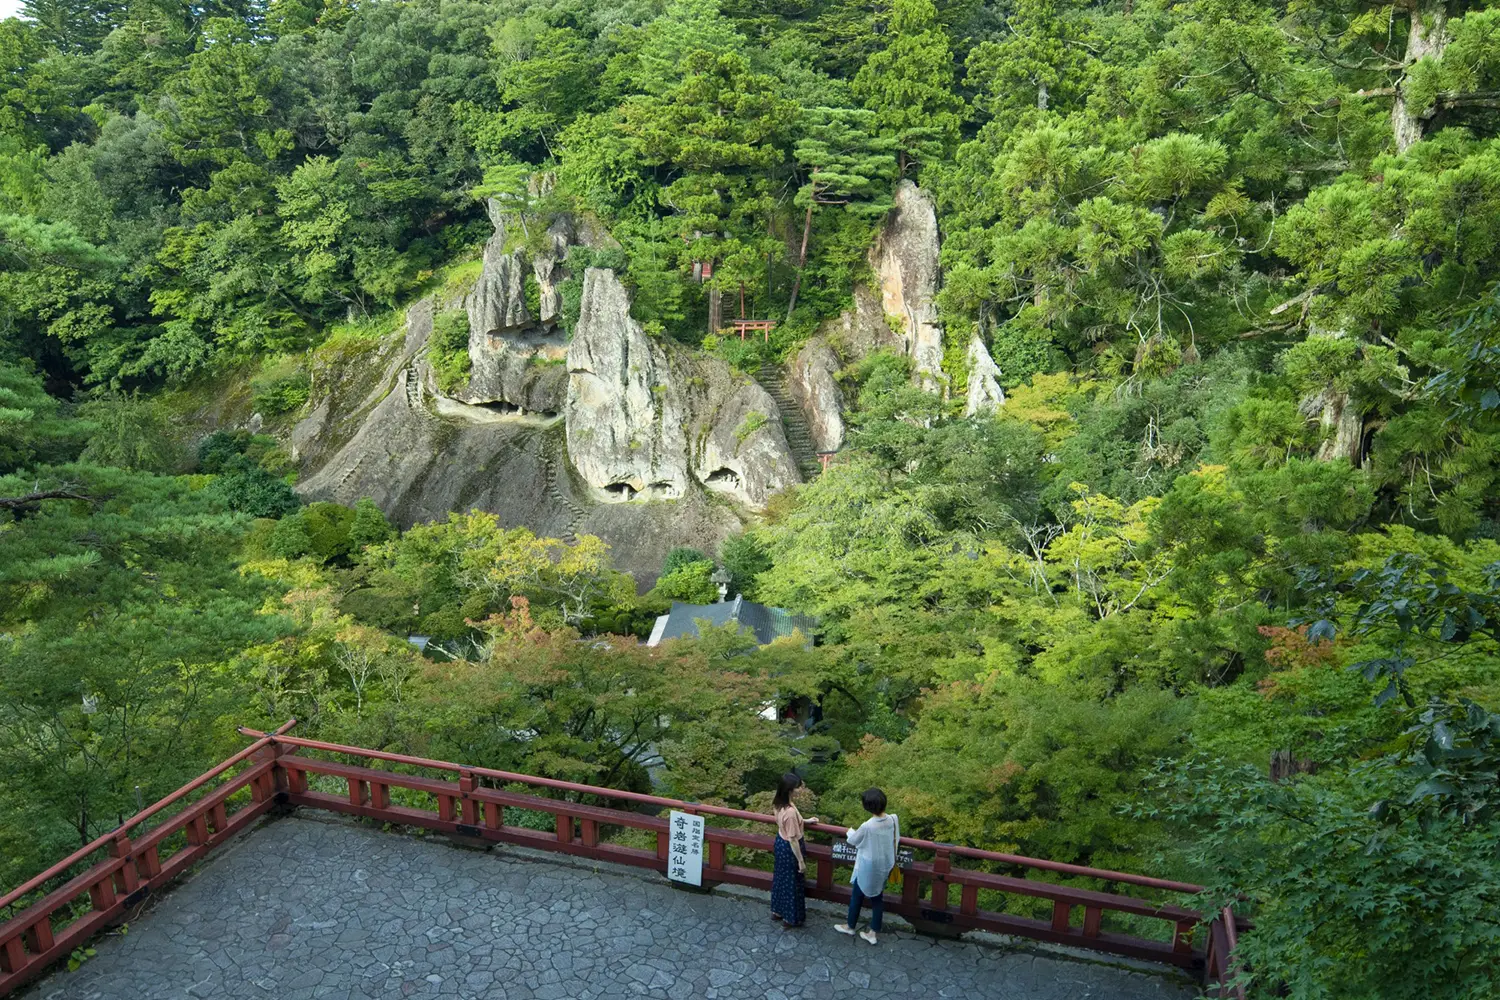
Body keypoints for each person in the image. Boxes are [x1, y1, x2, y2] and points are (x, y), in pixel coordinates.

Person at [834, 787, 899, 945]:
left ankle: (850, 926)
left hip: (868, 867)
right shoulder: (892, 819)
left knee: (857, 896)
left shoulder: (867, 826)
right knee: (877, 898)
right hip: (884, 865)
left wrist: (850, 831)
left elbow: (854, 840)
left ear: (867, 806)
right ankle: (873, 933)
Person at [770, 773, 817, 927]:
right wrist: (801, 861)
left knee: (781, 879)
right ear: (790, 790)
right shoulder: (790, 812)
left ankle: (778, 910)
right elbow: (793, 839)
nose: (801, 789)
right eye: (798, 787)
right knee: (792, 882)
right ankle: (790, 917)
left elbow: (786, 824)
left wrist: (805, 821)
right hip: (790, 848)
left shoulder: (779, 803)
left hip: (780, 843)